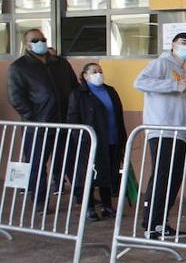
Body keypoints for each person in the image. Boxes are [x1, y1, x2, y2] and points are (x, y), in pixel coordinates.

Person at [134, 31, 186, 240]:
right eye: (183, 42)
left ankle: (162, 223)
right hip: (162, 129)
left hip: (180, 131)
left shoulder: (181, 71)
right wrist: (172, 85)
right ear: (173, 44)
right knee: (162, 176)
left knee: (174, 178)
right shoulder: (162, 63)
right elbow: (140, 82)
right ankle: (151, 224)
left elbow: (181, 101)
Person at [8, 28, 78, 204]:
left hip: (64, 124)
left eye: (43, 39)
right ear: (27, 44)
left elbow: (74, 88)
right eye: (35, 40)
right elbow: (16, 98)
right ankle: (40, 202)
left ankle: (84, 200)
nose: (40, 42)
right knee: (37, 166)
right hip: (38, 127)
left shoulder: (61, 64)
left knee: (72, 163)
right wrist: (33, 117)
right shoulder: (19, 67)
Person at [66, 63, 126, 221]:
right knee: (89, 175)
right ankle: (89, 207)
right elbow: (73, 118)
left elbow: (118, 115)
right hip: (91, 140)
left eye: (100, 71)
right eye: (94, 72)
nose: (98, 74)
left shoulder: (110, 91)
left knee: (107, 173)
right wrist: (81, 137)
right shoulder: (79, 94)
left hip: (112, 138)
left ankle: (107, 206)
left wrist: (122, 138)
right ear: (85, 75)